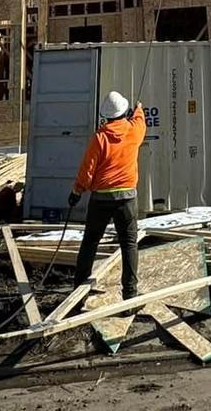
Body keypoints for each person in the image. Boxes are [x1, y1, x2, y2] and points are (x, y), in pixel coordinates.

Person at [69, 90, 145, 300]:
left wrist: (77, 191)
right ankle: (130, 293)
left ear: (106, 116)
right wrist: (138, 108)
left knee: (91, 241)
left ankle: (79, 288)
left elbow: (87, 170)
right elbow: (140, 120)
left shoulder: (100, 137)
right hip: (127, 197)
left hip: (101, 198)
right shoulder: (134, 131)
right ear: (124, 111)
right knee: (129, 243)